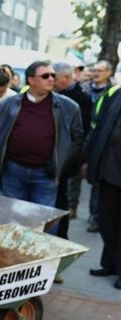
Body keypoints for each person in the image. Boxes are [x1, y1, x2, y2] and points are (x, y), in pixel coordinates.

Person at [0, 61, 83, 233]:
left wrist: (60, 164)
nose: (51, 79)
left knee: (44, 222)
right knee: (12, 220)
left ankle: (42, 259)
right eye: (45, 75)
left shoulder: (68, 106)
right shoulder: (10, 104)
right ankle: (12, 258)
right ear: (31, 80)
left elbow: (77, 140)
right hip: (14, 171)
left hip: (46, 174)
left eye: (53, 75)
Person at [84, 83, 121, 289]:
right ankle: (109, 264)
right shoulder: (115, 94)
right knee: (108, 221)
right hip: (108, 170)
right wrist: (89, 160)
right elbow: (100, 130)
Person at [53, 61, 93, 223]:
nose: (52, 81)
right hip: (52, 156)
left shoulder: (81, 99)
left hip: (67, 157)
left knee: (63, 195)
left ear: (67, 77)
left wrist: (71, 157)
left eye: (55, 77)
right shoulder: (53, 94)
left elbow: (79, 133)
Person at [86, 60, 116, 232]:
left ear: (108, 72)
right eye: (94, 70)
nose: (95, 73)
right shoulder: (84, 89)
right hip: (88, 139)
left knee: (98, 183)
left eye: (100, 70)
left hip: (100, 140)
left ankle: (96, 216)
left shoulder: (112, 93)